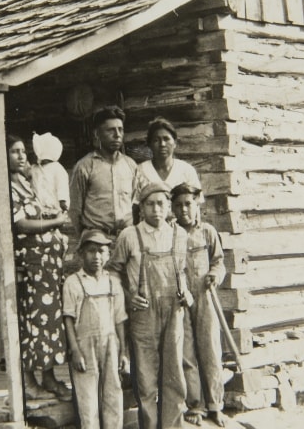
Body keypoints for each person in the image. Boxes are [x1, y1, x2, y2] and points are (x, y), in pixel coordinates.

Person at [108, 181, 191, 429]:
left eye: (161, 204)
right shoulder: (129, 236)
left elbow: (182, 271)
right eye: (150, 204)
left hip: (173, 311)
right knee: (145, 379)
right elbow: (112, 271)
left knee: (174, 375)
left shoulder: (179, 235)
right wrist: (127, 295)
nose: (156, 209)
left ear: (168, 207)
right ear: (142, 208)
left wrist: (186, 291)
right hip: (143, 313)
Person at [8, 134, 73, 401]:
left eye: (23, 151)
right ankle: (28, 381)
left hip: (47, 264)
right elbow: (21, 224)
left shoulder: (27, 184)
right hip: (30, 264)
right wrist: (54, 223)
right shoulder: (5, 190)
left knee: (48, 319)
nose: (21, 156)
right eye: (14, 152)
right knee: (31, 321)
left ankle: (49, 377)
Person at [171, 183, 228, 427]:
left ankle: (215, 405)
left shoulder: (207, 232)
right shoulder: (170, 234)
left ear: (197, 204)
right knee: (187, 352)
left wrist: (215, 274)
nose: (183, 209)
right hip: (181, 300)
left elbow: (218, 261)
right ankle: (195, 405)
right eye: (178, 205)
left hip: (205, 296)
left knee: (210, 349)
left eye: (188, 204)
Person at [63, 229, 130, 429]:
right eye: (91, 251)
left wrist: (123, 351)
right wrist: (75, 350)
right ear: (81, 254)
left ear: (108, 254)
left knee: (113, 394)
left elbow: (120, 319)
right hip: (84, 346)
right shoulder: (73, 282)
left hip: (110, 343)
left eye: (101, 251)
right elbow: (68, 319)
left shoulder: (113, 282)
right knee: (88, 399)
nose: (96, 256)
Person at [69, 106, 137, 238]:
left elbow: (135, 204)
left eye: (120, 129)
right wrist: (87, 238)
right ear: (97, 134)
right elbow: (75, 210)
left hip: (126, 237)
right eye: (111, 130)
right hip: (96, 239)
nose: (117, 135)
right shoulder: (85, 166)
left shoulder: (130, 165)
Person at [133, 117, 201, 213]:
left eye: (166, 139)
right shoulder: (140, 171)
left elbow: (196, 206)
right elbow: (135, 206)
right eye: (156, 140)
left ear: (175, 143)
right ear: (149, 144)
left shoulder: (187, 171)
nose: (162, 144)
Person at [29, 131, 70, 217]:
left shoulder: (57, 169)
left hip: (54, 208)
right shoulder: (34, 168)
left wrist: (62, 200)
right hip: (38, 208)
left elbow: (62, 186)